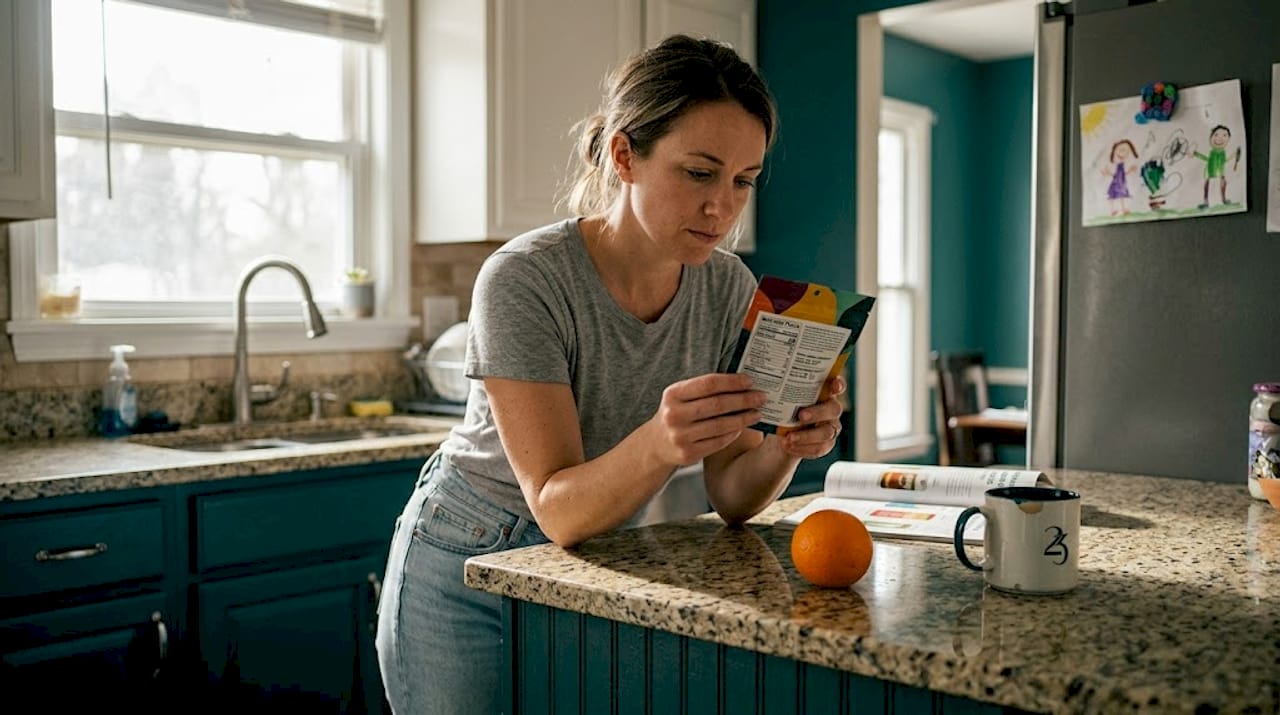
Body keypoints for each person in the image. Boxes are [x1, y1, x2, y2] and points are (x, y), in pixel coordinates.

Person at [374, 34, 846, 714]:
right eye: (698, 172)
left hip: (602, 556)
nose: (723, 206)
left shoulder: (726, 287)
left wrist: (783, 443)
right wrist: (662, 441)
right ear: (625, 156)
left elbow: (735, 495)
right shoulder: (524, 279)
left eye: (743, 180)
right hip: (467, 556)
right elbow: (557, 504)